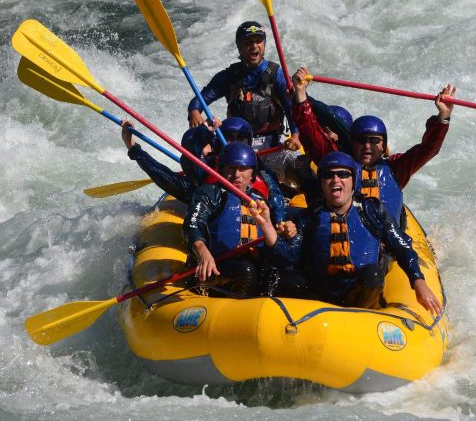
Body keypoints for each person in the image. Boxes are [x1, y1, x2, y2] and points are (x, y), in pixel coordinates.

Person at [251, 151, 442, 315]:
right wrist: (268, 226)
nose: (335, 180)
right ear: (322, 184)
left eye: (342, 174)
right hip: (321, 293)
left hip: (359, 294)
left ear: (353, 181)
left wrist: (418, 281)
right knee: (290, 282)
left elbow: (401, 246)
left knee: (373, 274)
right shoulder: (310, 218)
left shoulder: (371, 211)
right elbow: (288, 256)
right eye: (328, 175)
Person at [291, 65, 455, 222]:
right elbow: (311, 133)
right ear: (352, 143)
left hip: (388, 245)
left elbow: (428, 149)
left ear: (383, 145)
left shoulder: (396, 168)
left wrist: (443, 118)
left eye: (374, 140)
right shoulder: (339, 166)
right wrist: (300, 95)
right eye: (361, 140)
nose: (367, 146)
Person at [187, 21, 302, 187]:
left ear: (264, 44)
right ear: (239, 46)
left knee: (301, 168)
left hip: (271, 144)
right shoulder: (228, 76)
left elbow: (291, 108)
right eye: (248, 43)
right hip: (236, 146)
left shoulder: (276, 75)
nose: (254, 47)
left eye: (258, 41)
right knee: (202, 160)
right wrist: (194, 111)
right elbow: (200, 99)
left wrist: (296, 135)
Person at [182, 142, 266, 295]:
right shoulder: (210, 194)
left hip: (247, 265)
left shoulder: (259, 201)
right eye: (231, 169)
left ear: (252, 173)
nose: (236, 175)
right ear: (221, 171)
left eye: (242, 169)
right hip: (211, 268)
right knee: (245, 271)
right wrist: (202, 251)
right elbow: (193, 225)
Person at [122, 120, 216, 204]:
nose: (200, 152)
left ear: (212, 146)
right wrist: (129, 143)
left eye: (203, 145)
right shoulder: (187, 187)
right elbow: (154, 169)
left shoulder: (222, 162)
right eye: (190, 149)